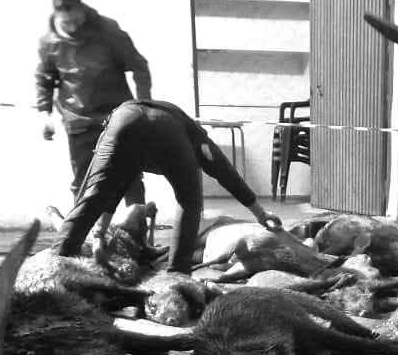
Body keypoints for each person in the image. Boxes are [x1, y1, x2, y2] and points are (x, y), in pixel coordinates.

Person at [52, 99, 281, 276]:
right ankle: (177, 273)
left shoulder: (135, 151)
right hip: (167, 130)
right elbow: (227, 174)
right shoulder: (198, 141)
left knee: (93, 195)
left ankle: (58, 261)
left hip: (123, 120)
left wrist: (100, 233)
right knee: (189, 202)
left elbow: (109, 191)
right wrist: (260, 213)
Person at [35, 0, 152, 203]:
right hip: (78, 121)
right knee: (84, 183)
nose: (72, 27)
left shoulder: (108, 31)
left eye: (76, 21)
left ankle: (137, 221)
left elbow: (139, 67)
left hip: (117, 117)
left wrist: (142, 107)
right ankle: (83, 224)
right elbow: (44, 79)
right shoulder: (48, 43)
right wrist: (45, 115)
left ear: (82, 10)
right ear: (57, 17)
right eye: (66, 23)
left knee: (129, 176)